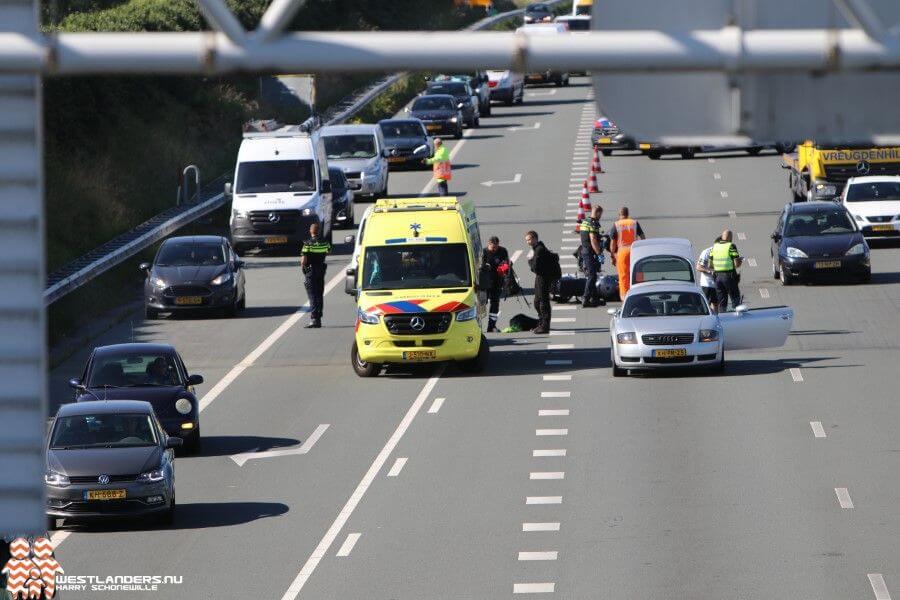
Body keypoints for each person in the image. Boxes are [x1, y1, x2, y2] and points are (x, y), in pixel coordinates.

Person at [609, 206, 645, 299]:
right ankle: (640, 294)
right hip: (635, 251)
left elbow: (613, 242)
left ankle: (625, 297)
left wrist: (612, 255)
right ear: (628, 214)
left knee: (623, 275)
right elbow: (642, 237)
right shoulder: (634, 223)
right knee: (638, 273)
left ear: (619, 215)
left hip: (622, 252)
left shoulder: (616, 224)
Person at [300, 223, 331, 328]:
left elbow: (303, 259)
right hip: (321, 270)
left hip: (311, 271)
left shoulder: (307, 243)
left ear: (310, 231)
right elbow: (328, 251)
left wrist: (303, 268)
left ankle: (314, 319)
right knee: (319, 293)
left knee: (312, 294)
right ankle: (319, 317)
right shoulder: (325, 242)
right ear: (318, 231)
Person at [525, 230, 556, 334]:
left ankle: (545, 325)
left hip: (543, 277)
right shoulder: (537, 248)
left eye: (529, 239)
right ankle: (541, 322)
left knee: (543, 302)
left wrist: (530, 260)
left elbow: (535, 267)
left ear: (534, 238)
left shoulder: (539, 249)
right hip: (540, 277)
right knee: (537, 301)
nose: (528, 242)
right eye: (527, 240)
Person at [578, 205, 606, 307]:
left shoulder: (585, 221)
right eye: (600, 214)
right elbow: (593, 239)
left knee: (593, 274)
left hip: (584, 250)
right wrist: (599, 253)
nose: (600, 216)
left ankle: (595, 298)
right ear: (598, 213)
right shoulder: (593, 223)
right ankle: (585, 298)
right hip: (590, 252)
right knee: (592, 275)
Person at [481, 236, 510, 332]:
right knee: (481, 303)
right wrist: (484, 267)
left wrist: (503, 269)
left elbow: (506, 264)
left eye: (496, 247)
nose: (494, 249)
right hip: (484, 283)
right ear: (488, 244)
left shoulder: (502, 251)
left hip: (497, 282)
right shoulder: (483, 252)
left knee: (495, 304)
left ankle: (491, 326)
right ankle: (477, 326)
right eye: (493, 247)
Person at [711, 229, 743, 312]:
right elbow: (737, 264)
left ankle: (722, 318)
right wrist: (740, 261)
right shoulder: (731, 246)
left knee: (721, 301)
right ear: (730, 237)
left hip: (717, 277)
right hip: (729, 276)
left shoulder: (715, 246)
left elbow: (710, 265)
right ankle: (738, 318)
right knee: (735, 297)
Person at [696, 239, 718, 311]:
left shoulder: (724, 252)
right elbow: (699, 267)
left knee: (715, 304)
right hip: (707, 284)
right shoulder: (706, 252)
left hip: (718, 283)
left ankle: (716, 318)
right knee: (705, 305)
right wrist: (710, 271)